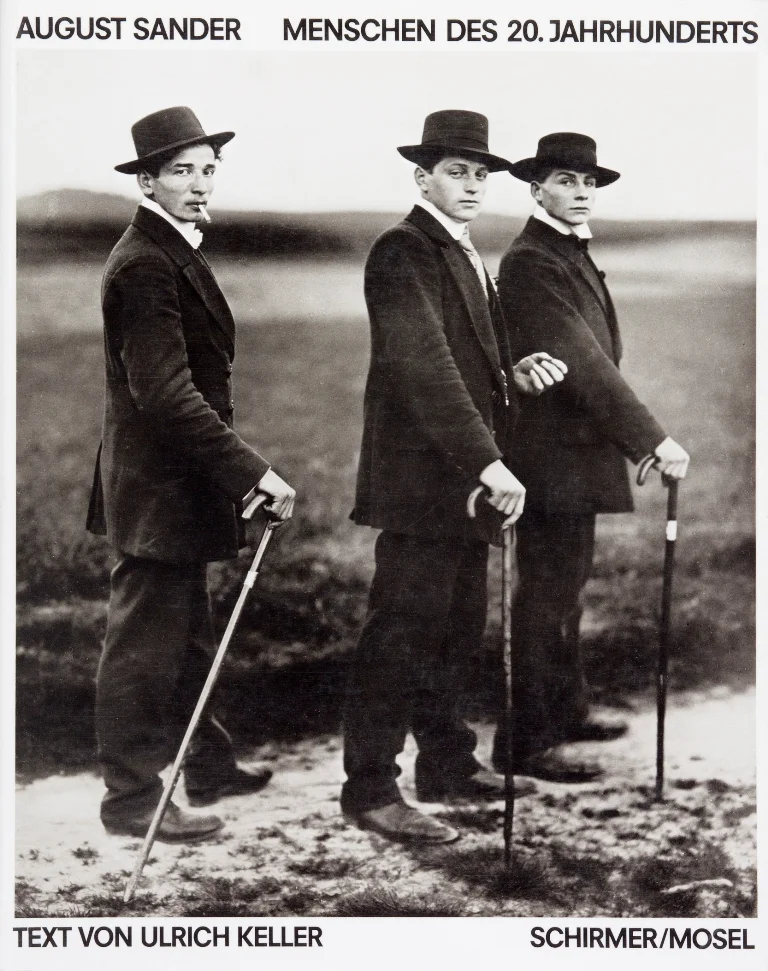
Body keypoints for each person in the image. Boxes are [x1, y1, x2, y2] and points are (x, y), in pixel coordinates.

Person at [342, 110, 568, 843]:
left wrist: (513, 373)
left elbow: (469, 364)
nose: (471, 185)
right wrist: (489, 460)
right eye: (456, 172)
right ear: (423, 177)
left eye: (480, 173)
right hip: (420, 483)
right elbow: (425, 369)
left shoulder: (463, 251)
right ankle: (370, 787)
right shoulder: (403, 250)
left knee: (457, 627)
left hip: (462, 484)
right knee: (401, 631)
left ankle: (447, 762)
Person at [87, 106, 295, 841]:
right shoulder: (145, 261)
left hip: (176, 485)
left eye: (209, 169)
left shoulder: (168, 249)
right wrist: (251, 473)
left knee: (190, 633)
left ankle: (204, 762)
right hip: (157, 487)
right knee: (144, 645)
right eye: (183, 171)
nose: (201, 184)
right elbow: (166, 392)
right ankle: (132, 799)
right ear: (147, 179)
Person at [493, 132, 690, 782]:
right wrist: (653, 440)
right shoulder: (531, 261)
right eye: (566, 181)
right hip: (548, 458)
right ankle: (524, 741)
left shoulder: (564, 252)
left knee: (566, 589)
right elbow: (585, 362)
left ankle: (568, 707)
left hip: (575, 455)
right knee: (545, 594)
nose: (581, 193)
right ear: (536, 188)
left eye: (588, 183)